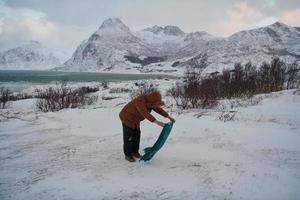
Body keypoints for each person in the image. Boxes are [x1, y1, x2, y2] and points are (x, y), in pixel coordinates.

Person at [119, 91, 175, 162]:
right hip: (127, 117)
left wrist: (168, 117)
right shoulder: (140, 101)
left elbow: (158, 109)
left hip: (135, 119)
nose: (155, 105)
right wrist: (157, 122)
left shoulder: (151, 103)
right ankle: (128, 155)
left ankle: (135, 152)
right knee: (129, 136)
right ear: (151, 101)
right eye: (155, 104)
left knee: (137, 134)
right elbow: (144, 112)